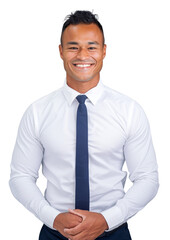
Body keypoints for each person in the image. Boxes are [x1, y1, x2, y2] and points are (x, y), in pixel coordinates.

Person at [9, 10, 159, 240]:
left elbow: (147, 179)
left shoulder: (129, 110)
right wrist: (53, 218)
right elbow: (20, 177)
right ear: (61, 51)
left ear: (104, 51)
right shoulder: (38, 112)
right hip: (55, 232)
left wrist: (107, 220)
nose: (82, 55)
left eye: (91, 47)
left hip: (113, 232)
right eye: (73, 47)